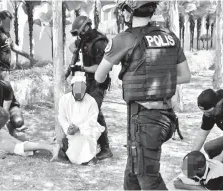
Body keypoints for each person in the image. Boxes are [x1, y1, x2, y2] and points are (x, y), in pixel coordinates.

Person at [94, 1, 191, 189]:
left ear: (128, 14)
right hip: (164, 117)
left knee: (148, 179)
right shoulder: (169, 36)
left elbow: (99, 76)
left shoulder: (124, 39)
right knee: (132, 173)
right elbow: (185, 76)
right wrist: (159, 79)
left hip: (145, 121)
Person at [67, 16, 113, 160]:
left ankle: (105, 148)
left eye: (78, 32)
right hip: (88, 80)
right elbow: (72, 46)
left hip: (99, 80)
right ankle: (89, 143)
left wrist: (81, 67)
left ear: (86, 27)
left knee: (94, 111)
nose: (78, 36)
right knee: (84, 109)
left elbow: (102, 68)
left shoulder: (100, 42)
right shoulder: (85, 40)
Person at [0, 10, 32, 141]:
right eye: (6, 23)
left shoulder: (6, 31)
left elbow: (13, 46)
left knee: (8, 99)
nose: (8, 25)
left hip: (6, 73)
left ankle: (12, 125)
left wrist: (27, 55)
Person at [58, 74, 105, 165]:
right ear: (72, 88)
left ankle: (90, 157)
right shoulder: (64, 99)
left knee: (87, 136)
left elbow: (92, 120)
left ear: (85, 90)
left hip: (87, 128)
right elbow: (61, 117)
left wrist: (79, 127)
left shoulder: (91, 101)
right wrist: (67, 127)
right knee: (75, 148)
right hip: (71, 130)